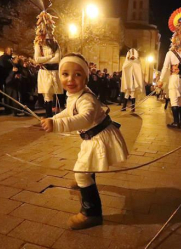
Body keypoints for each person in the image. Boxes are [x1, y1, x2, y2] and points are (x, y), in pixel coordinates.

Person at [41, 53, 128, 230]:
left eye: (77, 74)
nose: (70, 79)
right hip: (94, 137)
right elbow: (69, 111)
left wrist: (56, 125)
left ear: (86, 78)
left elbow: (85, 118)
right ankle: (86, 178)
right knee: (85, 163)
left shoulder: (86, 98)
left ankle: (92, 213)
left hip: (99, 137)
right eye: (65, 74)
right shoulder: (75, 95)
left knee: (81, 172)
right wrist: (53, 118)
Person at [158, 16, 181, 128]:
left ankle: (176, 122)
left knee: (174, 100)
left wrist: (160, 81)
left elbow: (165, 68)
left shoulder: (170, 53)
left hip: (174, 79)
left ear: (174, 38)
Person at [33, 12, 62, 118]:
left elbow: (57, 59)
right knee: (47, 93)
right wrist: (50, 57)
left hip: (54, 72)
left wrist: (45, 60)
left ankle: (53, 114)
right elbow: (37, 59)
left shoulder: (55, 44)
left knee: (53, 93)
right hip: (44, 72)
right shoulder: (38, 44)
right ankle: (48, 115)